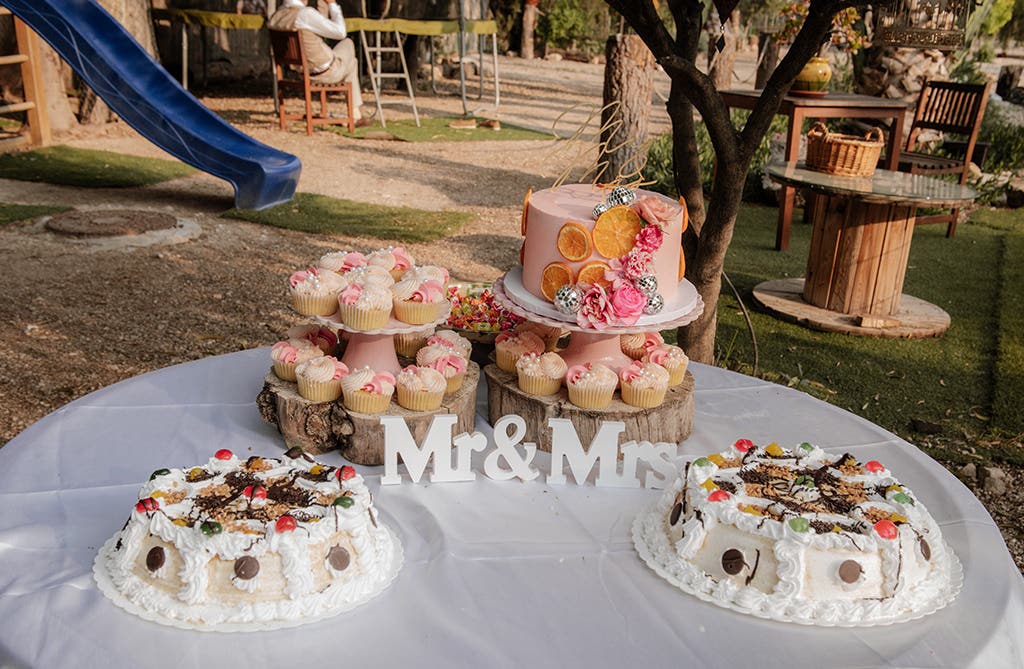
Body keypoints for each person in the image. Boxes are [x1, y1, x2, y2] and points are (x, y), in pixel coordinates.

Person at [268, 0, 368, 125]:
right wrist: (332, 5)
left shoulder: (276, 16)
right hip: (325, 72)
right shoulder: (305, 14)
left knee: (351, 62)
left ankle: (354, 114)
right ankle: (354, 114)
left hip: (301, 72)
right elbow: (340, 32)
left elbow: (321, 24)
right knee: (348, 45)